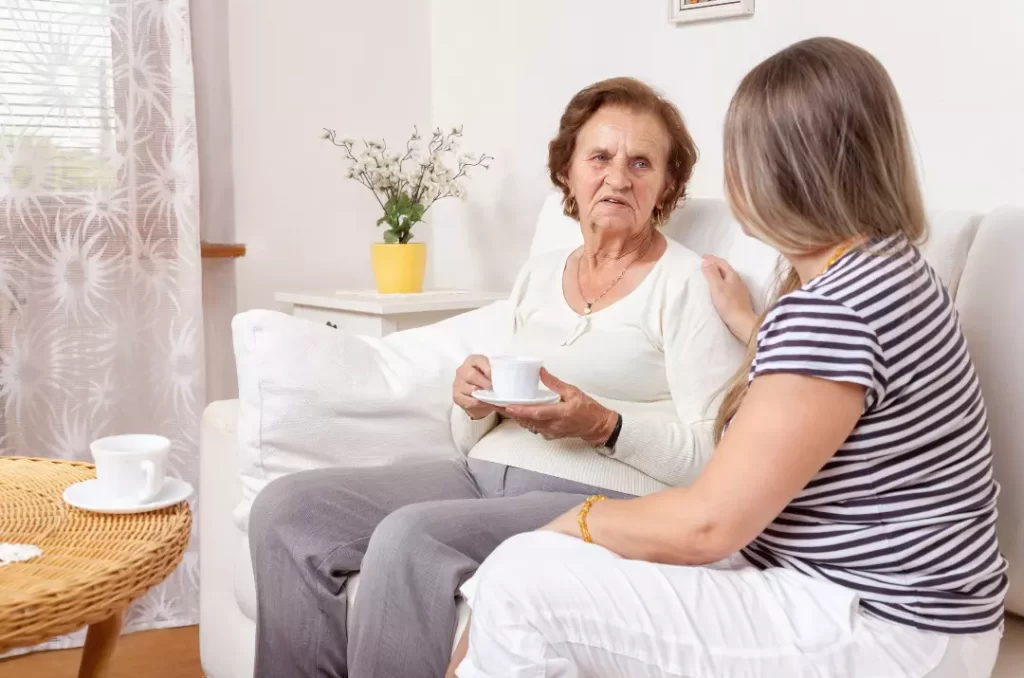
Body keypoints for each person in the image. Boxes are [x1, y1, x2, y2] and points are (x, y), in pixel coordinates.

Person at [451, 37, 1008, 678]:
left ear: (779, 171)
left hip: (877, 625)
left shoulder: (834, 310)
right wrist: (754, 324)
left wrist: (576, 520)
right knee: (516, 574)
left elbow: (708, 526)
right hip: (906, 609)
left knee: (521, 579)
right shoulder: (882, 270)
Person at [247, 76, 743, 678]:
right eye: (601, 157)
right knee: (288, 510)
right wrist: (471, 401)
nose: (618, 177)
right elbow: (479, 423)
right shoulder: (538, 273)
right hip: (480, 474)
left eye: (641, 162)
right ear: (568, 171)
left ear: (667, 185)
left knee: (412, 539)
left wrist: (604, 426)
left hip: (595, 498)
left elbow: (715, 459)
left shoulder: (689, 282)